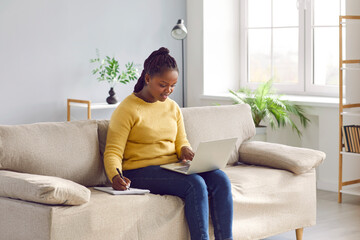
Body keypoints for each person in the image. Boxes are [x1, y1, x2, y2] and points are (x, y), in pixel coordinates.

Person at [104, 47, 233, 240]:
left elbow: (181, 139)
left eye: (173, 85)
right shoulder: (127, 109)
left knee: (220, 179)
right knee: (194, 183)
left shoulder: (172, 107)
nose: (169, 90)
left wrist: (185, 150)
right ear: (147, 79)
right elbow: (113, 151)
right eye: (163, 85)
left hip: (171, 167)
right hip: (139, 171)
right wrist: (115, 176)